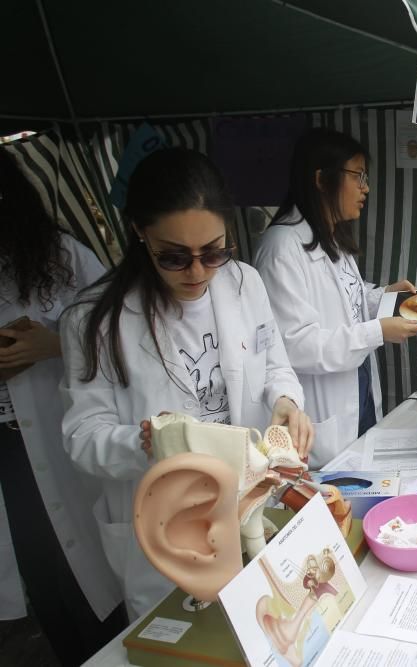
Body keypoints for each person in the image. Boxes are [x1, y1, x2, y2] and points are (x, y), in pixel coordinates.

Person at [61, 148, 313, 619]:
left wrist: (285, 402)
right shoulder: (95, 322)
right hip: (169, 529)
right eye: (174, 257)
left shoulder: (244, 283)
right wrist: (151, 443)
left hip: (247, 505)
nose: (198, 272)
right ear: (140, 233)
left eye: (214, 251)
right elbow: (81, 437)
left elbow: (276, 364)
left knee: (268, 619)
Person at [0, 151, 126, 664]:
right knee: (40, 571)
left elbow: (118, 332)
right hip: (10, 448)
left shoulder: (64, 257)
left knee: (91, 573)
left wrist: (51, 346)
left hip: (62, 436)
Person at [255, 129, 417, 466]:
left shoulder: (330, 237)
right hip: (323, 414)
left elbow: (347, 296)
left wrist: (382, 296)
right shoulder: (281, 248)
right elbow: (295, 345)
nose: (366, 187)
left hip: (357, 393)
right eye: (358, 176)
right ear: (322, 179)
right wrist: (379, 331)